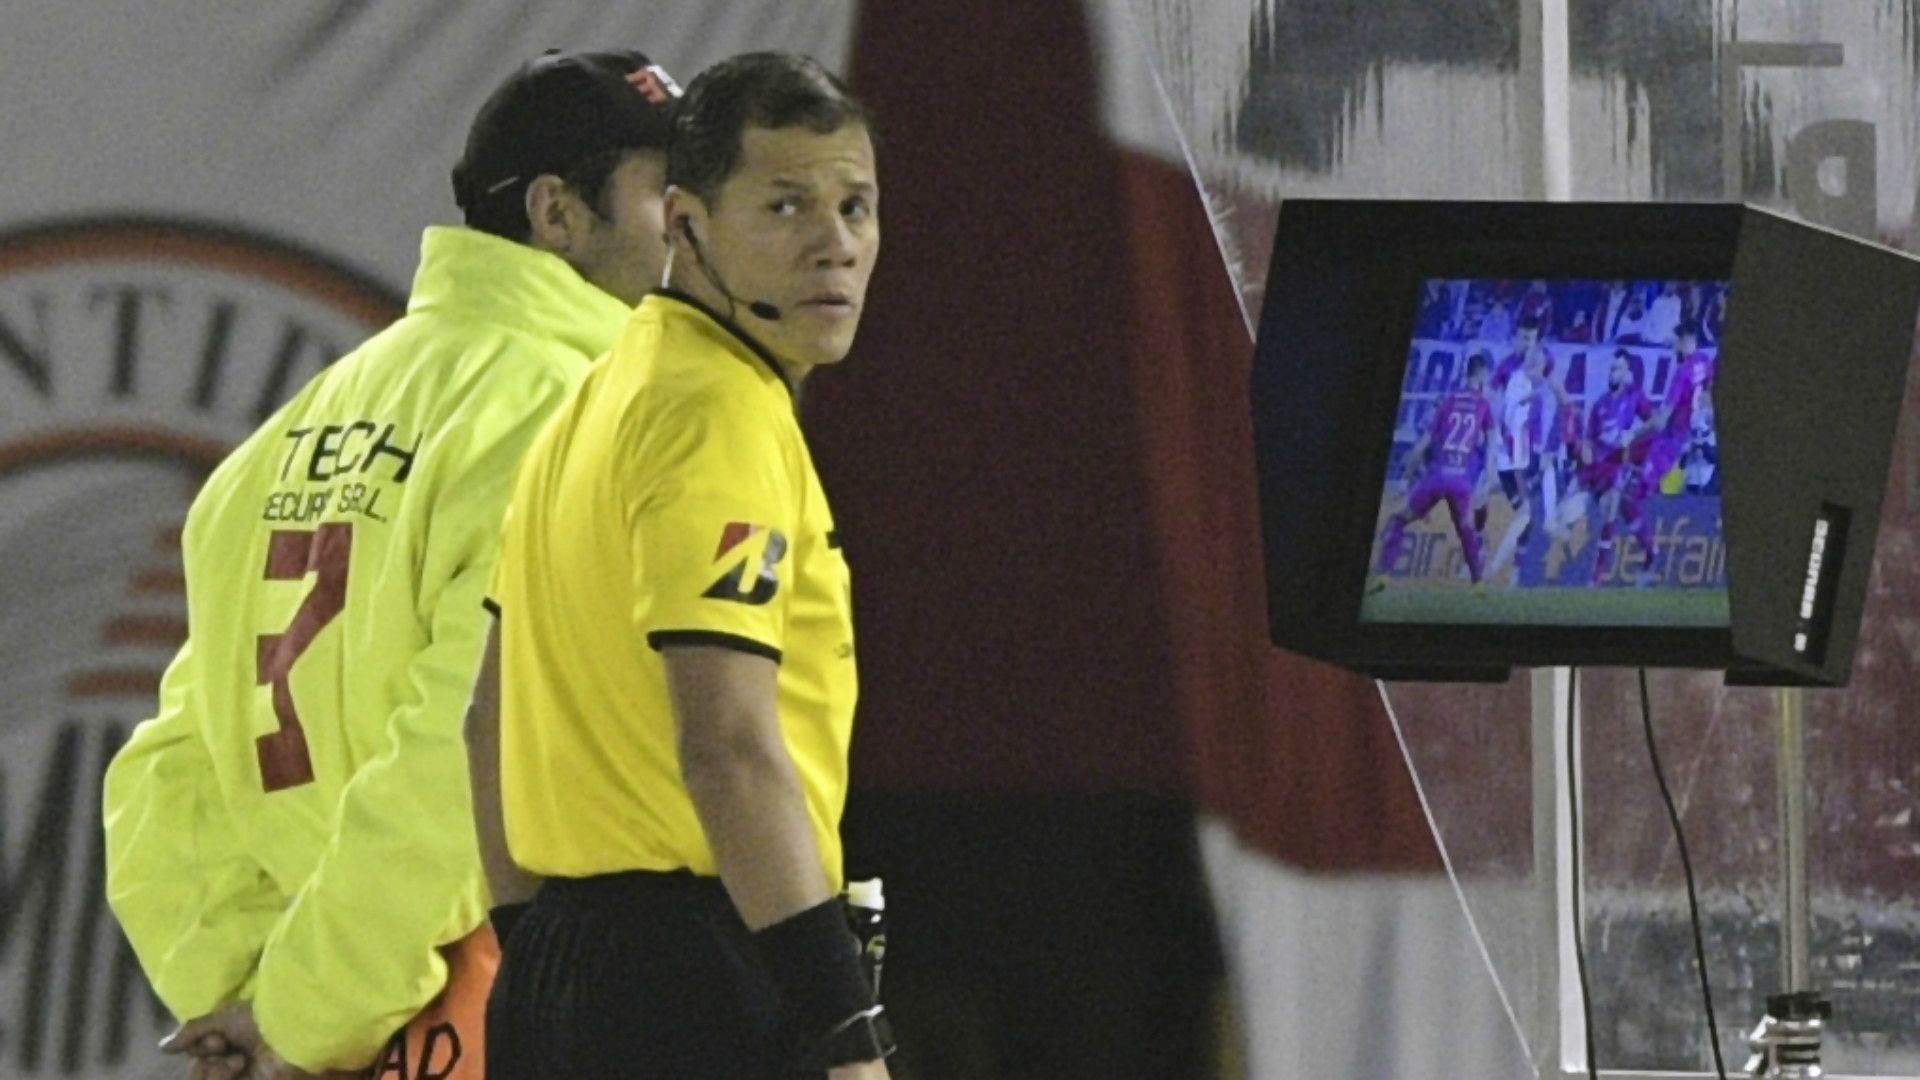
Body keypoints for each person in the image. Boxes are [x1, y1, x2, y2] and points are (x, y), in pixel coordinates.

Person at [101, 48, 681, 1080]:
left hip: (351, 1028)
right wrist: (308, 1014)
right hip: (532, 1011)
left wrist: (262, 1005)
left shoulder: (272, 446)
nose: (699, 227)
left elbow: (167, 778)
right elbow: (464, 759)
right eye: (664, 193)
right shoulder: (589, 423)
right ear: (557, 213)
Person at [475, 52, 893, 1078]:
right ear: (684, 223)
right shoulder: (716, 415)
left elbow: (486, 720)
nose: (834, 244)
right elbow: (728, 746)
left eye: (856, 205)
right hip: (699, 981)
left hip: (559, 972)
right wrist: (847, 1033)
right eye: (786, 206)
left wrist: (538, 955)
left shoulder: (593, 398)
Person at [1374, 351, 1495, 584]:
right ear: (1481, 376)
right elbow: (1492, 438)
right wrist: (1489, 472)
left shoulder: (1448, 401)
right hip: (1461, 481)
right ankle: (1478, 584)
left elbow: (1421, 447)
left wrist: (1404, 480)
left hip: (1437, 476)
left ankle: (1384, 575)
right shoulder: (1483, 404)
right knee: (1466, 529)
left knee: (1399, 519)